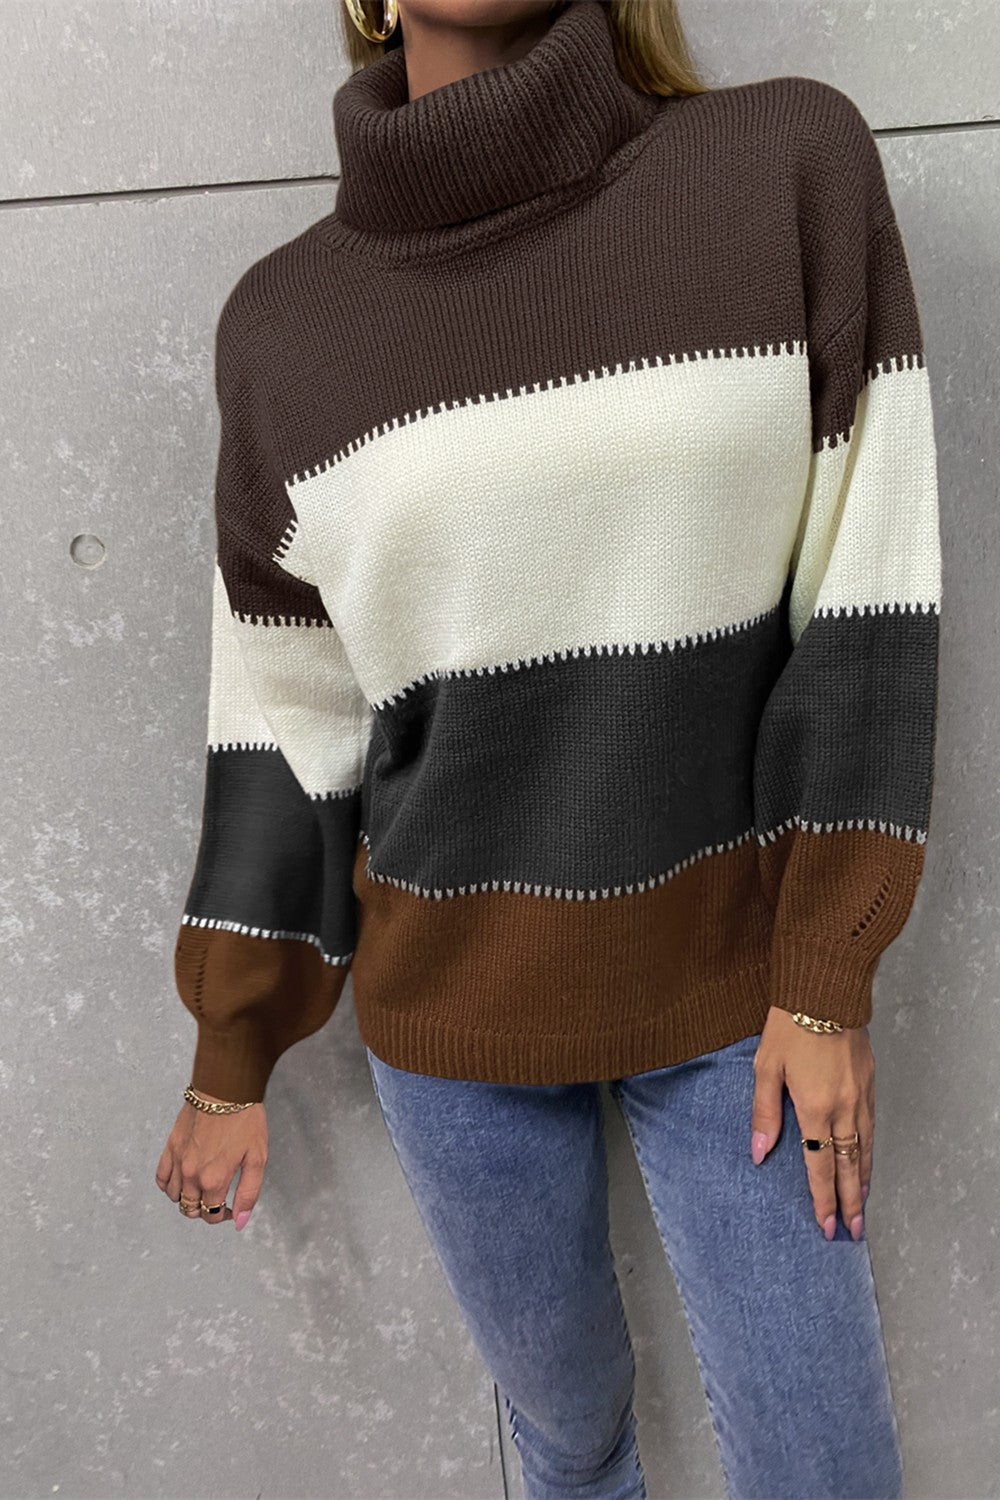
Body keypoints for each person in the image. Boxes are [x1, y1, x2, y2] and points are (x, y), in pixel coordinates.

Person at [155, 1, 942, 1495]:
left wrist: (828, 970)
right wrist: (228, 1055)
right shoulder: (284, 327)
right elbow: (282, 713)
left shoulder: (785, 167)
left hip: (743, 990)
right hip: (456, 1027)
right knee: (572, 1447)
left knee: (825, 1468)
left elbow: (868, 595)